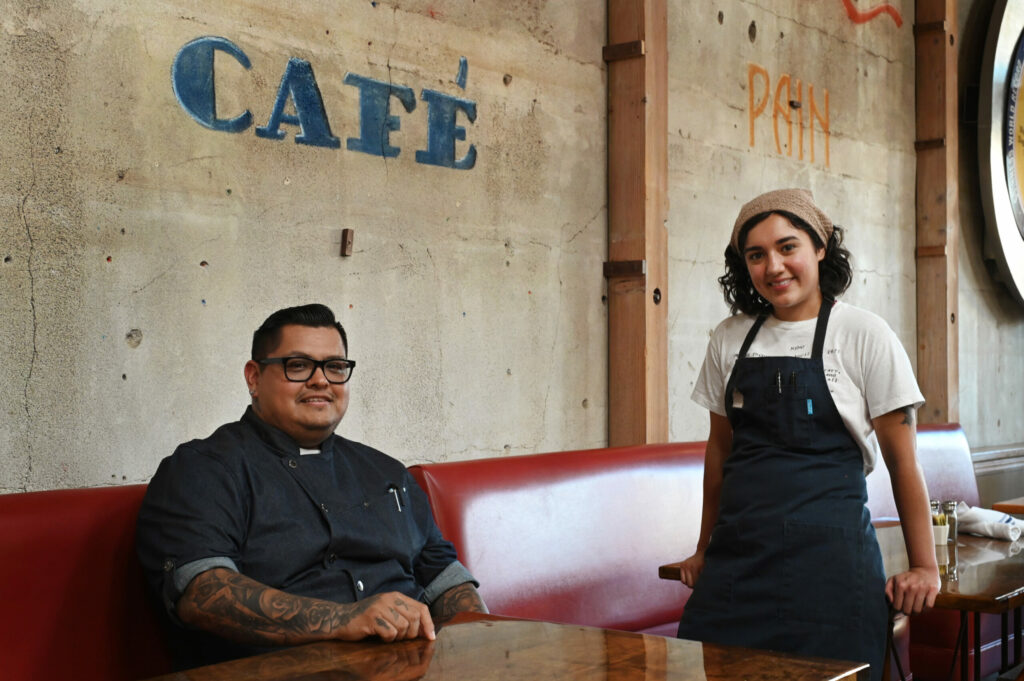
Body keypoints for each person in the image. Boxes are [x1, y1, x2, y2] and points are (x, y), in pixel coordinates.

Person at [675, 189, 939, 681]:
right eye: (756, 255)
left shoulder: (864, 334)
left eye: (787, 247)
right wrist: (705, 546)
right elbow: (720, 452)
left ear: (819, 248)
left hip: (832, 575)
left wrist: (925, 566)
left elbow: (904, 461)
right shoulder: (729, 338)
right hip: (737, 572)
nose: (773, 266)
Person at [136, 303, 486, 669]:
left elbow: (447, 581)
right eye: (299, 365)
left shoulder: (386, 471)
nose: (321, 381)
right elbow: (203, 593)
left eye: (335, 367)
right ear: (254, 377)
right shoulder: (205, 469)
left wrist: (480, 647)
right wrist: (345, 618)